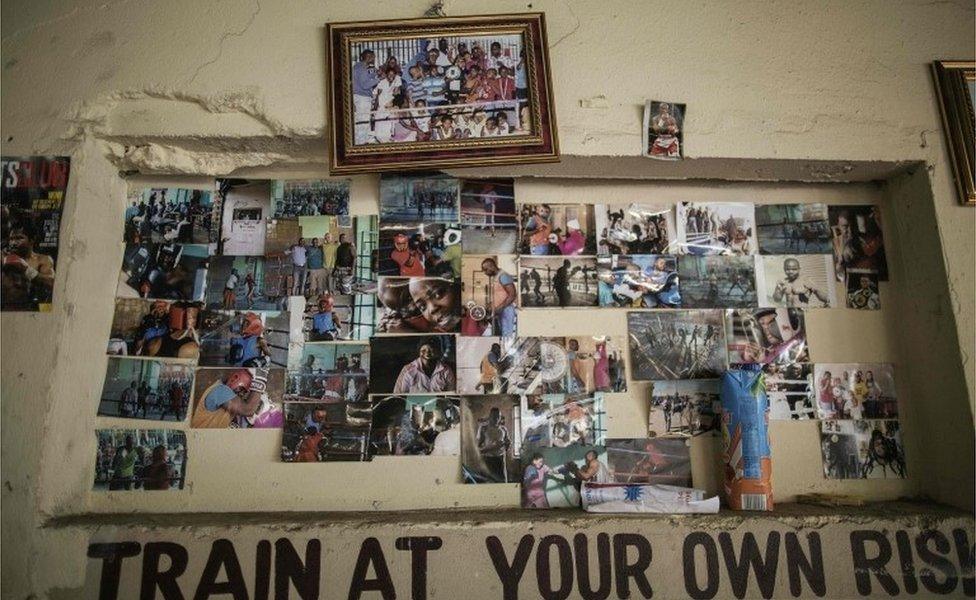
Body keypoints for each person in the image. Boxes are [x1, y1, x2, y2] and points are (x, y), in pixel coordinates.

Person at [192, 366, 282, 429]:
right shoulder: (220, 391)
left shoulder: (232, 403)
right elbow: (248, 410)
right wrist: (260, 379)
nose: (242, 395)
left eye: (245, 393)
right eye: (242, 390)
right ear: (234, 378)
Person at [1, 220, 56, 309]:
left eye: (19, 238)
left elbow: (51, 283)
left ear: (32, 239)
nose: (13, 243)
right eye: (11, 239)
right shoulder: (2, 256)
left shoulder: (43, 260)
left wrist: (26, 269)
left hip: (32, 308)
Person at [481, 257, 517, 336]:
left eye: (486, 270)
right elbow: (498, 294)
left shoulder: (503, 276)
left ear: (492, 266)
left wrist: (498, 308)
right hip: (501, 310)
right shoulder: (496, 277)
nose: (485, 273)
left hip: (507, 310)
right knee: (502, 332)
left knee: (507, 334)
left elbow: (512, 295)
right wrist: (491, 304)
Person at [476, 407, 511, 482]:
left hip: (500, 459)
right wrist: (490, 447)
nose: (496, 419)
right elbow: (477, 448)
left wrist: (505, 445)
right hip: (488, 460)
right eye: (494, 416)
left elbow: (507, 442)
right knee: (487, 484)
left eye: (498, 416)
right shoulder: (483, 428)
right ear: (490, 416)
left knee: (502, 482)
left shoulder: (504, 429)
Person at [352, 49, 378, 144]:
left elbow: (365, 79)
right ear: (368, 57)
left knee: (361, 120)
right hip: (362, 98)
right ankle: (361, 143)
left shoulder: (358, 67)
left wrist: (375, 75)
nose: (374, 59)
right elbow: (365, 85)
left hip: (359, 97)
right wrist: (378, 79)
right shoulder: (362, 68)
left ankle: (363, 139)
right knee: (363, 121)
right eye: (373, 57)